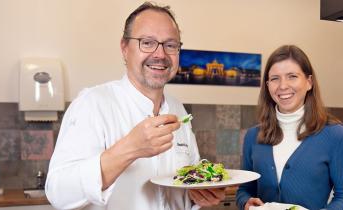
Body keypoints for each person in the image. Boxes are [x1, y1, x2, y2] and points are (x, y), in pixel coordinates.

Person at [45, 2, 225, 210]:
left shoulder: (178, 110)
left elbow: (186, 188)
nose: (160, 54)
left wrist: (199, 196)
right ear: (124, 48)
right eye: (147, 43)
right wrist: (130, 148)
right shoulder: (92, 104)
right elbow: (58, 193)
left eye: (170, 45)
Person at [236, 45, 343, 210]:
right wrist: (245, 202)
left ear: (309, 82)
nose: (283, 86)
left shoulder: (336, 136)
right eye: (275, 78)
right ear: (267, 85)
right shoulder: (253, 136)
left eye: (292, 76)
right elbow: (244, 190)